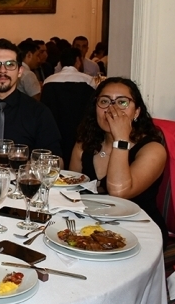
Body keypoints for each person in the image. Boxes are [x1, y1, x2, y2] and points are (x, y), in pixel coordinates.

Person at [70, 77, 167, 245]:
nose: (111, 109)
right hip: (89, 230)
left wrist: (121, 138)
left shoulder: (153, 149)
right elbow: (70, 191)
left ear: (136, 112)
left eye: (122, 102)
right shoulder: (84, 144)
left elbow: (119, 192)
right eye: (104, 101)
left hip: (140, 234)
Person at [41, 48, 96, 166]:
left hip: (55, 129)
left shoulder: (49, 81)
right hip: (80, 130)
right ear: (78, 60)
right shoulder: (88, 81)